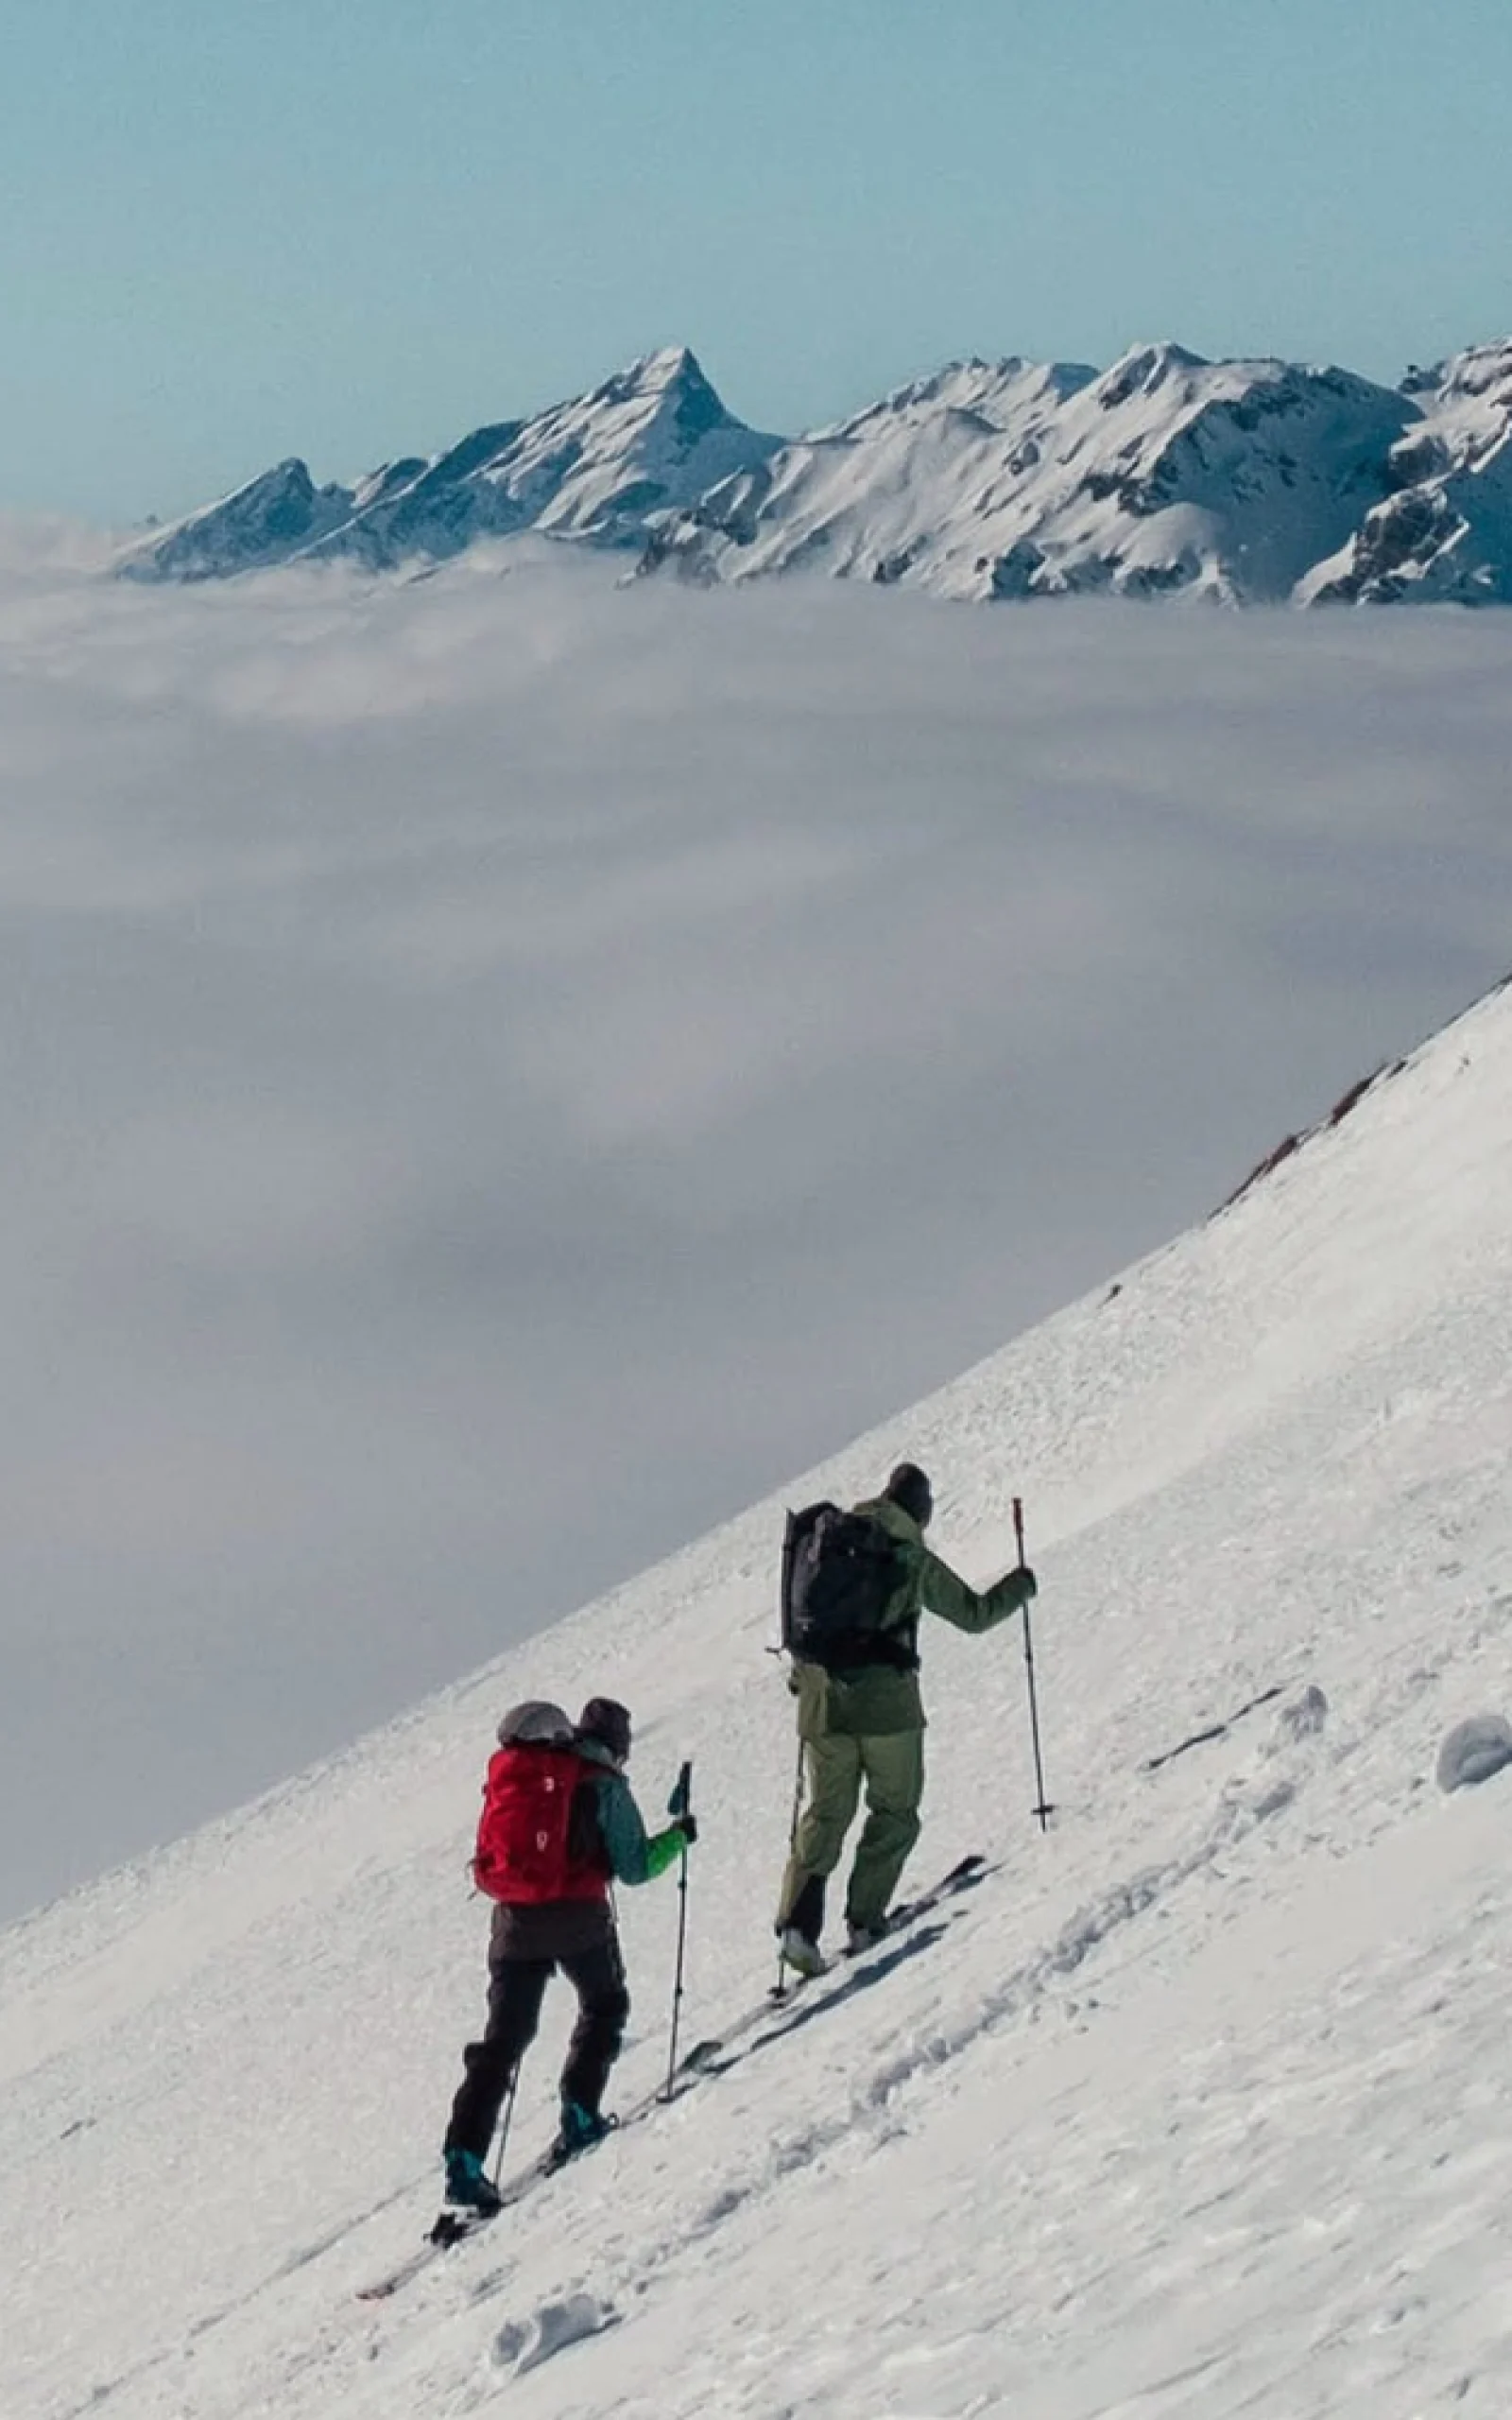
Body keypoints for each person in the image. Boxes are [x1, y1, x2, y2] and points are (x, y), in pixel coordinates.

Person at [775, 1461, 1037, 1975]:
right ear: (920, 1510)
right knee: (894, 1811)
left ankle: (797, 1927)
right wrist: (1021, 1585)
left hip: (821, 1705)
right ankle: (865, 1919)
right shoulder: (909, 1555)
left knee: (826, 1814)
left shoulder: (825, 1543)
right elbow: (974, 1615)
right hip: (887, 1708)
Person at [441, 1694, 696, 2212]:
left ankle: (463, 2161)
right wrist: (679, 1837)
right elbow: (636, 1868)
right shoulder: (601, 1782)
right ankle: (580, 2112)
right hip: (580, 1921)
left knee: (502, 2043)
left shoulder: (519, 1775)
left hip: (515, 1925)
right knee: (605, 2006)